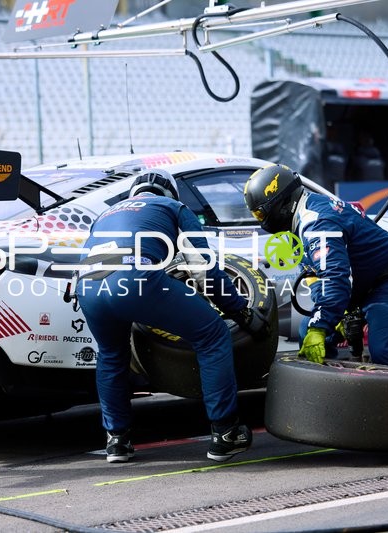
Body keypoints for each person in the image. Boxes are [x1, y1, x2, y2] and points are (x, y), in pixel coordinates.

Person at [243, 164, 388, 451]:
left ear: (280, 202)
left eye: (261, 213)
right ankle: (328, 414)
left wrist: (323, 325)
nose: (261, 220)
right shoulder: (305, 214)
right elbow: (319, 275)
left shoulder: (317, 220)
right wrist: (332, 318)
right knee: (311, 331)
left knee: (386, 349)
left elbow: (334, 279)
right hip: (362, 284)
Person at [77, 169, 269, 463]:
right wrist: (240, 311)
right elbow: (204, 268)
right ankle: (227, 433)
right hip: (134, 278)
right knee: (213, 334)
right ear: (170, 192)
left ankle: (117, 441)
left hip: (88, 286)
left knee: (111, 354)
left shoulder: (105, 214)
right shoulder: (173, 207)